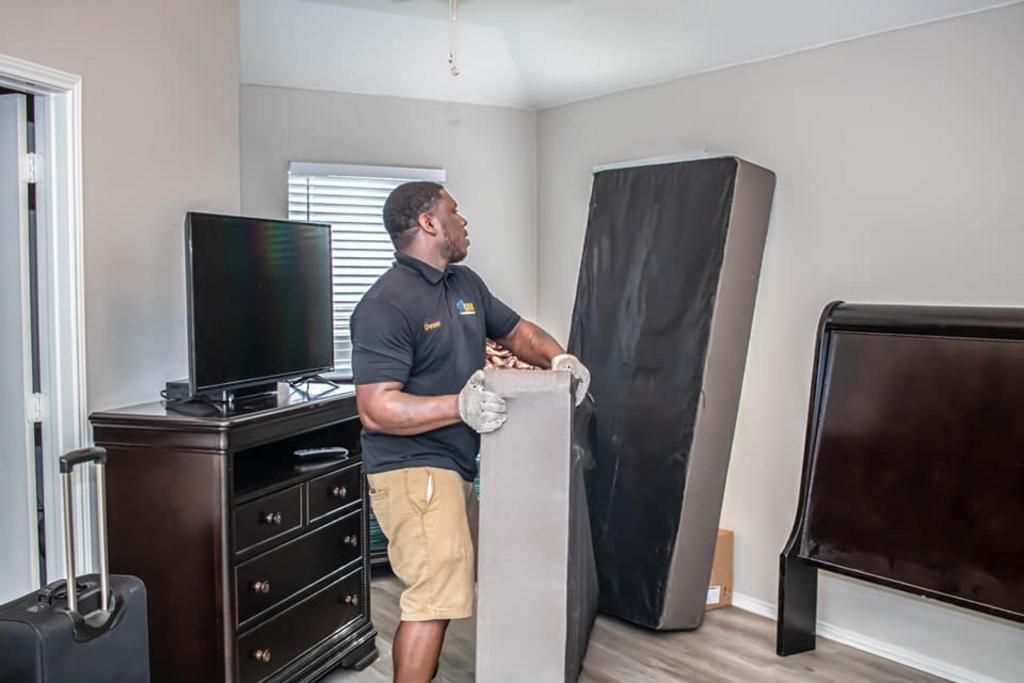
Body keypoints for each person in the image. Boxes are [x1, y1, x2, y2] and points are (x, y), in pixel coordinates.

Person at [350, 181, 589, 683]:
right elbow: (376, 408)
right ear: (429, 223)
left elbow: (517, 331)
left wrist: (559, 359)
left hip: (453, 464)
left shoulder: (463, 284)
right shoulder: (385, 305)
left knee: (444, 593)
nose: (464, 223)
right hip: (412, 471)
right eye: (454, 213)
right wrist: (459, 405)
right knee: (432, 598)